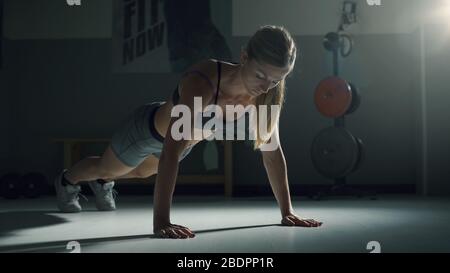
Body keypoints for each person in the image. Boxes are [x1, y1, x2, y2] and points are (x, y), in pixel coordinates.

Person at [54, 25, 323, 239]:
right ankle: (67, 181)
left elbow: (272, 153)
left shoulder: (266, 96)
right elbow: (170, 151)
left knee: (138, 172)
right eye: (260, 75)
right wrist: (162, 222)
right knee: (106, 168)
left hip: (182, 146)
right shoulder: (204, 80)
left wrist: (287, 212)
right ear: (243, 57)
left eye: (276, 79)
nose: (266, 86)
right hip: (146, 132)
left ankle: (102, 185)